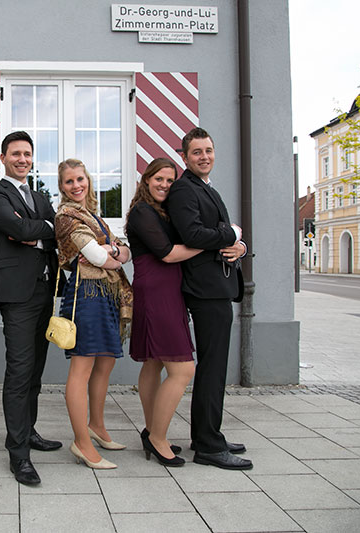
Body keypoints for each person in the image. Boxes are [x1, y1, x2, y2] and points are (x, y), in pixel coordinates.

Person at [166, 127, 252, 470]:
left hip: (218, 286)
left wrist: (239, 246)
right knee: (212, 369)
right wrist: (232, 232)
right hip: (205, 289)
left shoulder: (205, 187)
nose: (204, 156)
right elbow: (192, 234)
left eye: (208, 150)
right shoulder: (184, 189)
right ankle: (207, 445)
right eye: (197, 152)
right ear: (185, 157)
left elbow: (218, 237)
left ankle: (208, 434)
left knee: (215, 369)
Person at [0, 131, 62, 485]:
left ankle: (28, 431)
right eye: (15, 154)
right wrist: (40, 229)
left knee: (35, 370)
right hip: (16, 294)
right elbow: (15, 227)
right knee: (19, 370)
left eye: (27, 154)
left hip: (45, 290)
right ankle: (18, 454)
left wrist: (38, 231)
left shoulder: (40, 196)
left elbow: (57, 230)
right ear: (3, 157)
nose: (22, 159)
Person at [54, 159, 133, 470]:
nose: (76, 185)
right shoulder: (66, 216)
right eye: (69, 181)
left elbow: (124, 252)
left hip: (106, 293)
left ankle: (97, 426)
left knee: (106, 362)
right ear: (62, 187)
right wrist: (112, 252)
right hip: (85, 295)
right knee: (82, 368)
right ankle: (81, 442)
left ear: (87, 180)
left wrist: (112, 251)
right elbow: (99, 256)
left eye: (80, 179)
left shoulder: (93, 217)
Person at [125, 158, 201, 468]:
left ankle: (152, 431)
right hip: (157, 292)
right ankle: (158, 437)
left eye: (170, 181)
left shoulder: (161, 211)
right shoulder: (142, 212)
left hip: (166, 290)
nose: (165, 185)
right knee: (183, 370)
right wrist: (209, 243)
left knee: (155, 362)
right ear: (146, 179)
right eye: (159, 178)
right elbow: (168, 254)